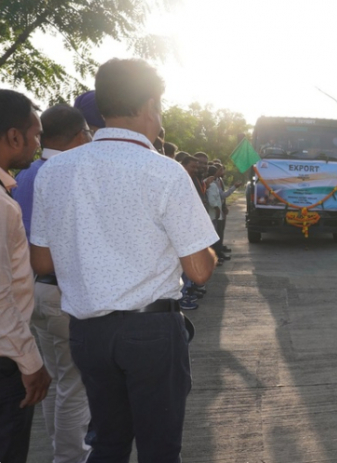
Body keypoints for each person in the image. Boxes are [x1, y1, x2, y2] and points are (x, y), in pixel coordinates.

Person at [30, 58, 219, 460]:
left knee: (108, 442)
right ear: (151, 105)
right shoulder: (165, 172)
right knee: (159, 449)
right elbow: (199, 271)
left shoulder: (54, 171)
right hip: (151, 334)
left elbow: (42, 264)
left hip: (87, 334)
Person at [13, 105, 93, 462]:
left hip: (36, 290)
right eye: (89, 134)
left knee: (58, 382)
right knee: (74, 387)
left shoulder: (27, 172)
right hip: (63, 291)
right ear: (79, 135)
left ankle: (63, 449)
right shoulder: (70, 174)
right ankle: (70, 456)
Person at [0, 89, 53, 463]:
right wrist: (31, 363)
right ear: (14, 136)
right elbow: (2, 296)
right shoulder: (3, 207)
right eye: (35, 135)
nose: (37, 144)